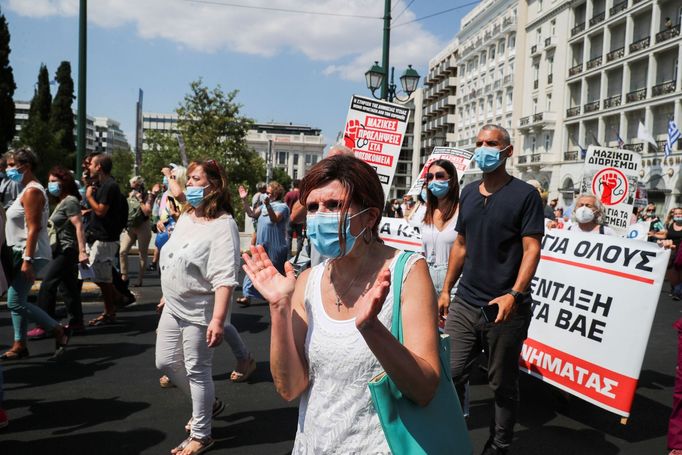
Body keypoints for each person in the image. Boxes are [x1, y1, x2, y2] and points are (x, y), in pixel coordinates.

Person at [242, 155, 441, 453]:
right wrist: (279, 307)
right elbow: (290, 388)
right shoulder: (308, 280)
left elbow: (424, 389)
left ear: (370, 216)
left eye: (334, 205)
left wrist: (371, 329)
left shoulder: (408, 272)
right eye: (312, 207)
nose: (321, 215)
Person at [439, 125, 544, 455]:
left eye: (491, 144)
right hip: (465, 302)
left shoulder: (525, 195)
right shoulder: (468, 192)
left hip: (504, 309)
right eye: (479, 143)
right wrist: (445, 291)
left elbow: (532, 250)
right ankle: (452, 436)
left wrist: (514, 295)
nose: (483, 148)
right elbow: (460, 245)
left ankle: (498, 445)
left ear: (507, 152)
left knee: (501, 384)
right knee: (451, 373)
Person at [155, 159, 240, 455]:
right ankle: (207, 404)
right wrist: (169, 289)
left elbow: (225, 277)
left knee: (197, 370)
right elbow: (176, 254)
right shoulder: (189, 215)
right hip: (174, 305)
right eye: (189, 179)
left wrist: (218, 320)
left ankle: (202, 434)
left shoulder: (224, 225)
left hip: (200, 310)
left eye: (195, 179)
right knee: (165, 362)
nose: (189, 184)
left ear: (213, 186)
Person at [1, 148, 69, 361]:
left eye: (12, 165)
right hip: (18, 252)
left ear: (26, 166)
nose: (8, 169)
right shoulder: (24, 189)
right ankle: (20, 344)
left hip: (29, 254)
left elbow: (34, 228)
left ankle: (58, 330)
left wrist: (27, 261)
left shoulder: (32, 191)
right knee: (17, 298)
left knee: (14, 301)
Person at [30, 166, 89, 336]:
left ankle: (44, 325)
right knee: (68, 287)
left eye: (54, 181)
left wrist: (82, 251)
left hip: (67, 249)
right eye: (49, 181)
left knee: (48, 285)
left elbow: (79, 226)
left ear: (65, 182)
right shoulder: (62, 202)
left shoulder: (70, 201)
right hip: (61, 250)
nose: (51, 184)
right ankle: (77, 323)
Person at [84, 153, 127, 326]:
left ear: (99, 167)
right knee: (98, 275)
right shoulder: (101, 185)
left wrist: (89, 197)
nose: (89, 168)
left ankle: (112, 307)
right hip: (99, 237)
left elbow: (101, 211)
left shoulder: (110, 186)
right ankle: (113, 304)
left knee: (102, 278)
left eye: (91, 165)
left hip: (106, 239)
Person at [238, 181, 290, 306]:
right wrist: (244, 200)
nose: (266, 194)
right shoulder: (262, 207)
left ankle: (279, 297)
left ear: (276, 193)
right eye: (266, 192)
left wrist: (268, 206)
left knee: (275, 272)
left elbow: (275, 219)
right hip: (261, 244)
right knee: (253, 267)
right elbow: (251, 214)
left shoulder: (283, 207)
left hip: (276, 246)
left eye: (268, 192)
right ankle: (247, 295)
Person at [420, 159, 459, 300]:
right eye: (430, 177)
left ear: (451, 179)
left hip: (456, 282)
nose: (434, 180)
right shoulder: (426, 213)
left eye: (440, 176)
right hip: (428, 280)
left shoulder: (463, 210)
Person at [120, 176, 153, 287]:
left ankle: (140, 279)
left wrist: (140, 200)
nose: (133, 185)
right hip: (131, 226)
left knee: (142, 254)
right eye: (132, 183)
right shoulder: (130, 194)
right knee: (122, 251)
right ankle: (124, 276)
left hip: (143, 225)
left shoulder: (147, 195)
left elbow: (147, 212)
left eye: (135, 183)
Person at [285, 179, 304, 258]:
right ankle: (298, 255)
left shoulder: (289, 194)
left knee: (288, 237)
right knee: (299, 237)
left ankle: (288, 257)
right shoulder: (302, 194)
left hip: (289, 218)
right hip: (300, 219)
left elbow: (285, 205)